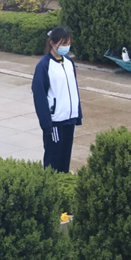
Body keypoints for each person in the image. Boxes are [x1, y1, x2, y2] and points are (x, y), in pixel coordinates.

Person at [32, 27, 82, 173]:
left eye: (68, 43)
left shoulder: (69, 62)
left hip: (69, 119)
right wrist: (46, 123)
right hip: (55, 122)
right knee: (53, 159)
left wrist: (77, 114)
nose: (66, 47)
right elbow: (39, 96)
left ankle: (64, 184)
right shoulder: (44, 65)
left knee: (65, 159)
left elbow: (73, 89)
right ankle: (50, 185)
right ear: (52, 43)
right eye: (63, 43)